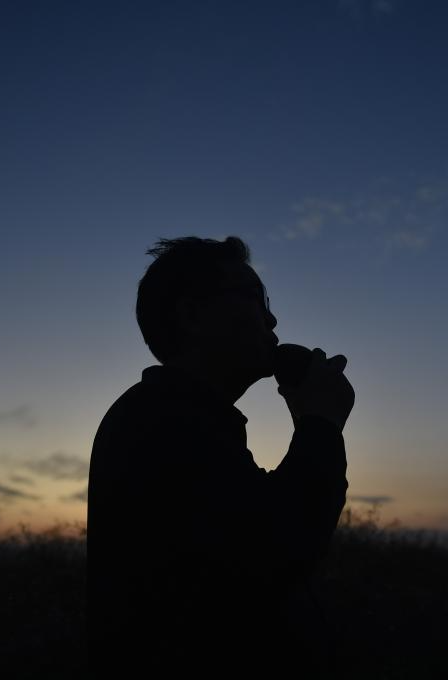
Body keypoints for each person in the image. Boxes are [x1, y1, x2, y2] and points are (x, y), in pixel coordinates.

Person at [87, 236, 354, 678]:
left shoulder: (179, 415)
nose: (272, 318)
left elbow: (254, 522)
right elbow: (281, 546)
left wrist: (313, 423)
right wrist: (320, 426)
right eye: (255, 299)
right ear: (193, 316)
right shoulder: (165, 421)